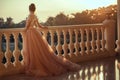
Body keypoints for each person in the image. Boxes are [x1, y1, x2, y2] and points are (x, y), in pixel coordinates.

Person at [23, 3, 80, 77]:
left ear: (29, 9)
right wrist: (44, 27)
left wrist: (24, 31)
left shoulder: (29, 16)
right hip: (35, 32)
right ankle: (36, 64)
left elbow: (27, 26)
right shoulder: (35, 16)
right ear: (34, 9)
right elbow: (39, 26)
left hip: (30, 33)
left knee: (32, 50)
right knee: (39, 51)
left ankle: (33, 65)